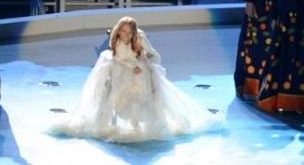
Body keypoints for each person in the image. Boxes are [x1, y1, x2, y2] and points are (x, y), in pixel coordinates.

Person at [51, 16, 219, 142]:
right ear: (118, 30)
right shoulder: (115, 39)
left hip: (140, 64)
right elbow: (118, 58)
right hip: (122, 66)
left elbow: (154, 55)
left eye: (129, 32)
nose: (126, 35)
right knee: (120, 80)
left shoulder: (140, 38)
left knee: (142, 80)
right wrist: (132, 66)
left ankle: (143, 123)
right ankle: (107, 121)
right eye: (123, 31)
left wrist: (144, 61)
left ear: (134, 33)